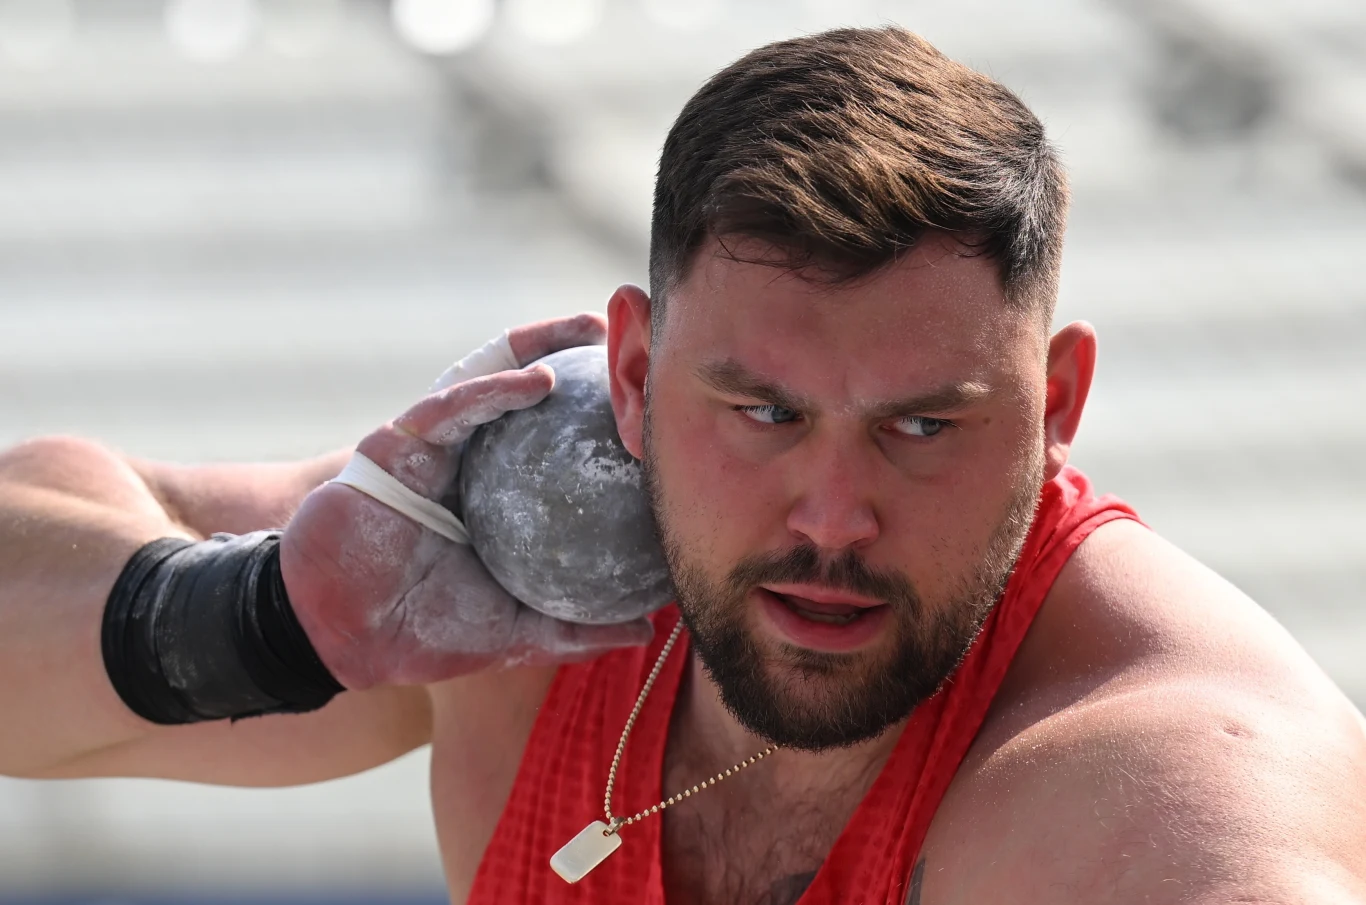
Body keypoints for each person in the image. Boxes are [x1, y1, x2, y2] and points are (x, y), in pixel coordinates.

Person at [2, 25, 1364, 905]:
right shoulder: (530, 601)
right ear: (639, 380)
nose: (834, 518)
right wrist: (263, 618)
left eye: (922, 425)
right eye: (761, 414)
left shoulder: (1153, 806)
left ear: (1055, 402)